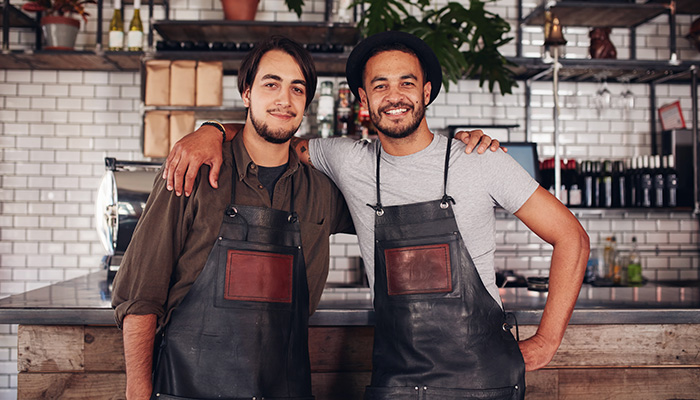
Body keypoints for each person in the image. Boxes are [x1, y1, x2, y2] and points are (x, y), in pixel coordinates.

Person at [164, 32, 589, 399]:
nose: (395, 96)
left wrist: (547, 340)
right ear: (364, 99)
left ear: (426, 92)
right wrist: (213, 130)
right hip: (395, 383)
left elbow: (572, 237)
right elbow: (274, 133)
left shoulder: (478, 159)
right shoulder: (345, 159)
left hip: (483, 380)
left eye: (407, 82)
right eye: (380, 85)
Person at [111, 36, 357, 400]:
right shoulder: (191, 171)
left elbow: (397, 191)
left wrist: (464, 151)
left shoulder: (321, 190)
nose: (283, 100)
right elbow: (140, 295)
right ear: (246, 93)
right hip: (187, 387)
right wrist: (138, 393)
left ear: (306, 103)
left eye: (297, 89)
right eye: (270, 84)